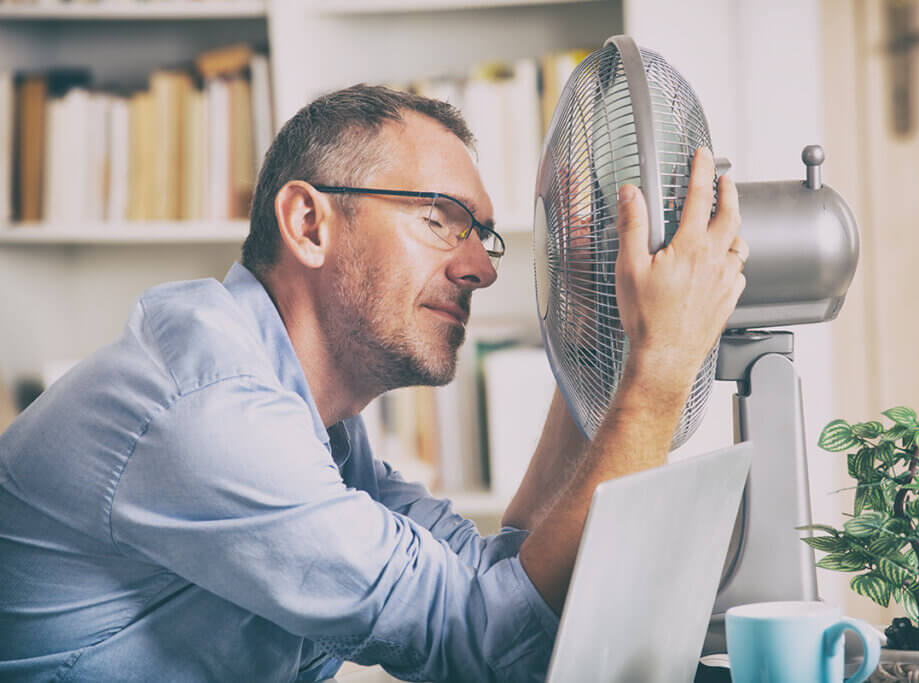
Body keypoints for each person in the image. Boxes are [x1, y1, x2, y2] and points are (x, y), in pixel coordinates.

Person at [0, 85, 747, 682]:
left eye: (482, 236)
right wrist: (657, 371)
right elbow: (484, 646)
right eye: (440, 218)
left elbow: (499, 579)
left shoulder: (318, 426)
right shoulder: (213, 412)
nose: (483, 268)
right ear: (309, 223)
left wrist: (595, 347)